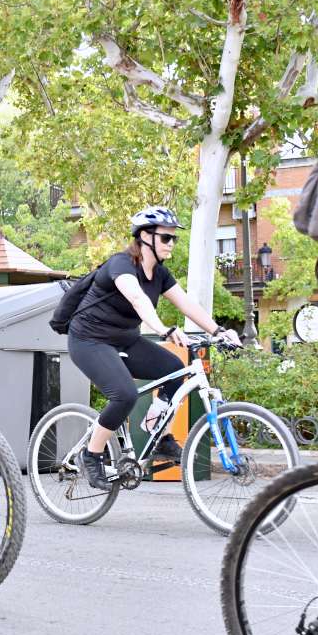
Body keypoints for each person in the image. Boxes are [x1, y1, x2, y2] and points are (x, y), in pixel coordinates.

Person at [69, 206, 240, 491]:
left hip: (125, 339)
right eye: (165, 238)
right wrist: (163, 329)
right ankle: (91, 455)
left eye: (174, 239)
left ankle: (158, 433)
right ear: (145, 237)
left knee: (175, 369)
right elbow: (137, 298)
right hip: (89, 340)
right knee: (124, 395)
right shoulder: (121, 265)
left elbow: (186, 304)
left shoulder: (160, 274)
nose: (171, 244)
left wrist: (219, 331)